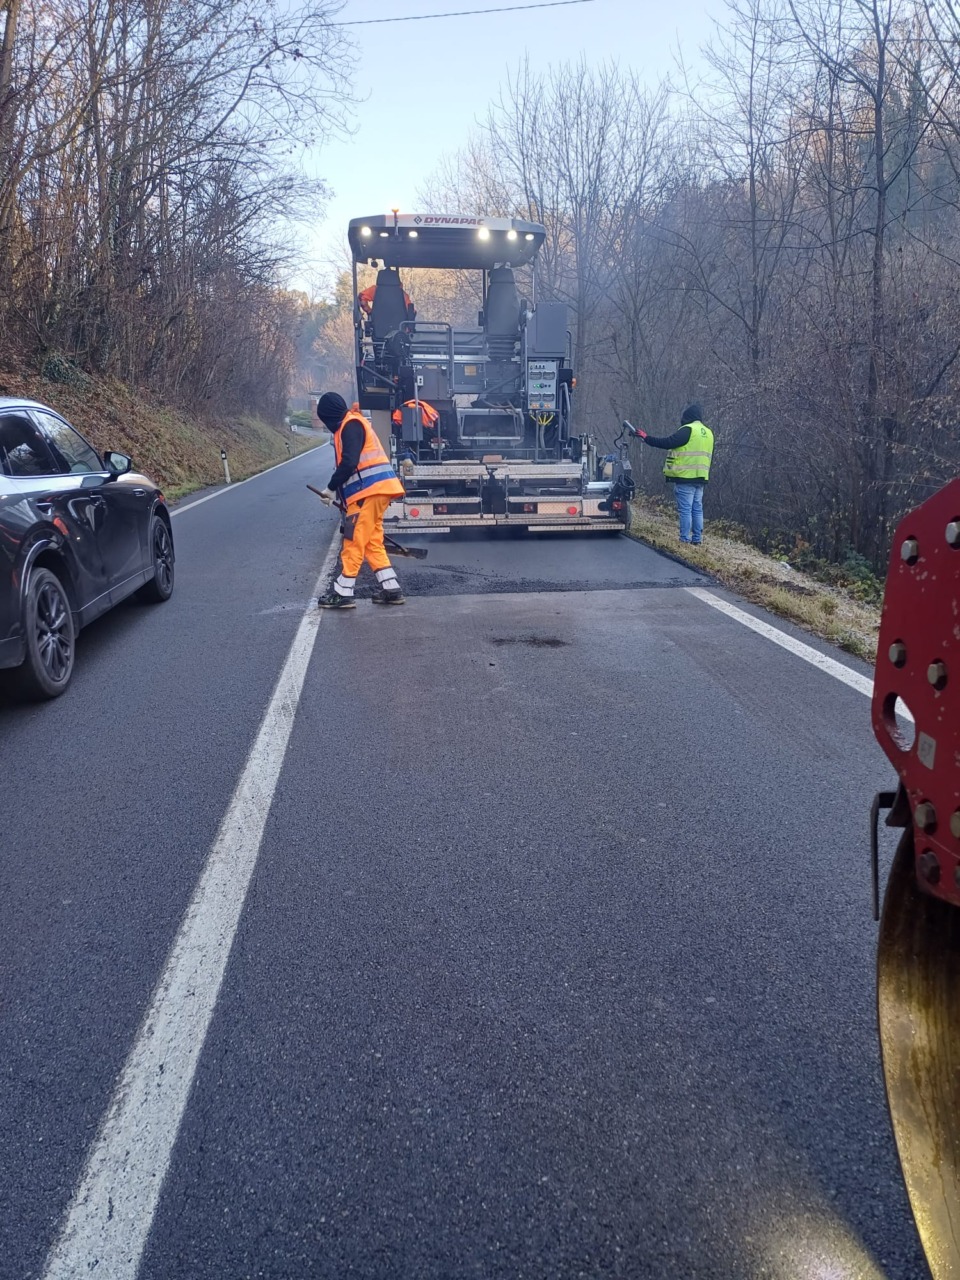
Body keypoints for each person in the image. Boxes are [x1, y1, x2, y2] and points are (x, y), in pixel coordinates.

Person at [314, 392, 406, 607]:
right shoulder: (353, 423)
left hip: (368, 492)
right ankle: (391, 589)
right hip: (377, 490)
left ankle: (343, 593)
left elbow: (349, 462)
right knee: (372, 542)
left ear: (329, 415)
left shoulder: (351, 425)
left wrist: (331, 488)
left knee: (353, 540)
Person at [632, 403, 714, 545]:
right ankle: (697, 539)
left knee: (685, 510)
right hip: (701, 477)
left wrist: (647, 438)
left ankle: (684, 539)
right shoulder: (708, 432)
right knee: (697, 509)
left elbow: (668, 442)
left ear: (687, 417)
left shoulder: (688, 430)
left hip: (685, 477)